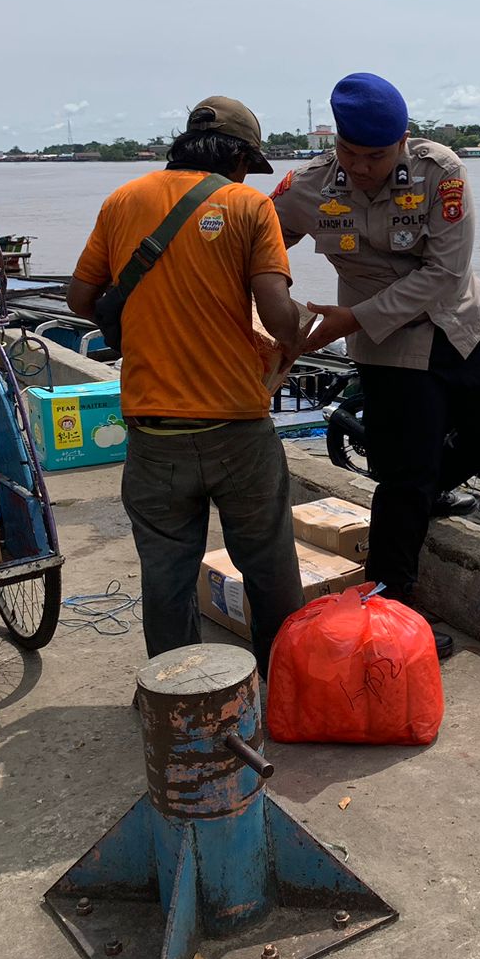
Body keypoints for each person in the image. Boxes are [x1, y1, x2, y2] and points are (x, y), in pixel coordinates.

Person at [68, 95, 305, 667]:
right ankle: (285, 687)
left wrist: (148, 317)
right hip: (237, 428)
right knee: (269, 566)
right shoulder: (250, 205)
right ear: (240, 158)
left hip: (154, 432)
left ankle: (175, 695)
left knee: (166, 573)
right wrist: (308, 326)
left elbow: (80, 299)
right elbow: (279, 318)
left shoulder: (122, 200)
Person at [272, 72, 480, 599]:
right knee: (405, 475)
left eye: (377, 156)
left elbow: (445, 272)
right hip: (390, 348)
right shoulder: (307, 187)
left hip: (463, 321)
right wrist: (270, 303)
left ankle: (429, 491)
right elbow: (257, 244)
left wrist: (351, 319)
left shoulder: (441, 173)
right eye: (350, 152)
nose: (362, 167)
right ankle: (389, 604)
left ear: (403, 140)